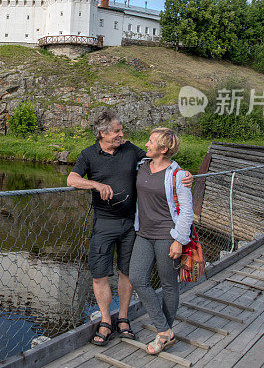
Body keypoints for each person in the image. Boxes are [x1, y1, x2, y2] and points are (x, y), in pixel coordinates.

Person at [67, 111, 192, 346]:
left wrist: (184, 175)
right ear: (103, 133)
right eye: (117, 131)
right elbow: (71, 179)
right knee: (100, 273)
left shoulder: (130, 149)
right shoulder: (88, 154)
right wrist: (95, 184)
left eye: (121, 130)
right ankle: (106, 321)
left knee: (128, 273)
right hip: (104, 223)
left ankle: (123, 319)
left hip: (132, 225)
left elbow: (161, 162)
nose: (122, 135)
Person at [129, 127, 193, 355]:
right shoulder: (141, 165)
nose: (146, 144)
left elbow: (186, 211)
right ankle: (165, 330)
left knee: (168, 284)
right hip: (144, 234)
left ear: (164, 149)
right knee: (137, 278)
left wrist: (179, 240)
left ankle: (163, 334)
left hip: (168, 236)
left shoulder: (178, 175)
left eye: (151, 141)